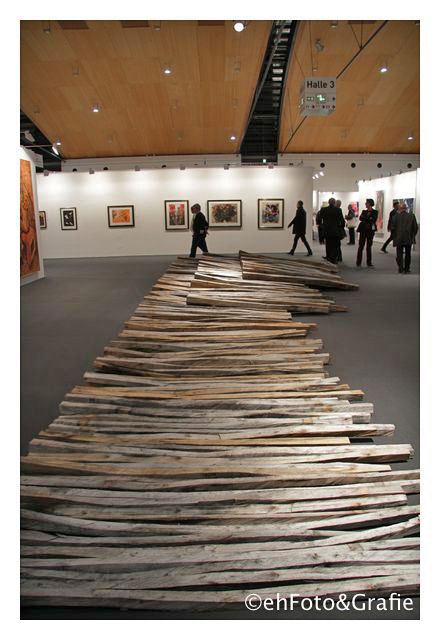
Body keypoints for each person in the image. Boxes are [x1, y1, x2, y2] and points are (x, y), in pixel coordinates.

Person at [391, 202, 418, 273]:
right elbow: (415, 228)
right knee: (408, 254)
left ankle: (400, 268)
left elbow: (392, 228)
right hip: (408, 237)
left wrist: (395, 237)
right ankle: (406, 269)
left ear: (399, 209)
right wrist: (412, 235)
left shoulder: (395, 217)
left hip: (398, 238)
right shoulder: (412, 216)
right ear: (406, 208)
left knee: (399, 253)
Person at [319, 197, 346, 264]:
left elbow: (319, 219)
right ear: (334, 203)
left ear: (328, 202)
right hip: (335, 230)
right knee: (335, 245)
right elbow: (342, 220)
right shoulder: (338, 210)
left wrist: (322, 226)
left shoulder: (323, 209)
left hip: (327, 230)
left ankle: (328, 257)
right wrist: (341, 227)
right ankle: (333, 259)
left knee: (328, 244)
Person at [356, 198, 378, 267]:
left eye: (367, 203)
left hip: (370, 230)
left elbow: (373, 220)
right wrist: (368, 218)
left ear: (370, 204)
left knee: (369, 246)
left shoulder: (375, 212)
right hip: (363, 230)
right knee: (361, 246)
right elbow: (360, 218)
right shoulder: (364, 211)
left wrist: (365, 218)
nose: (365, 204)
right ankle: (358, 262)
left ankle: (369, 262)